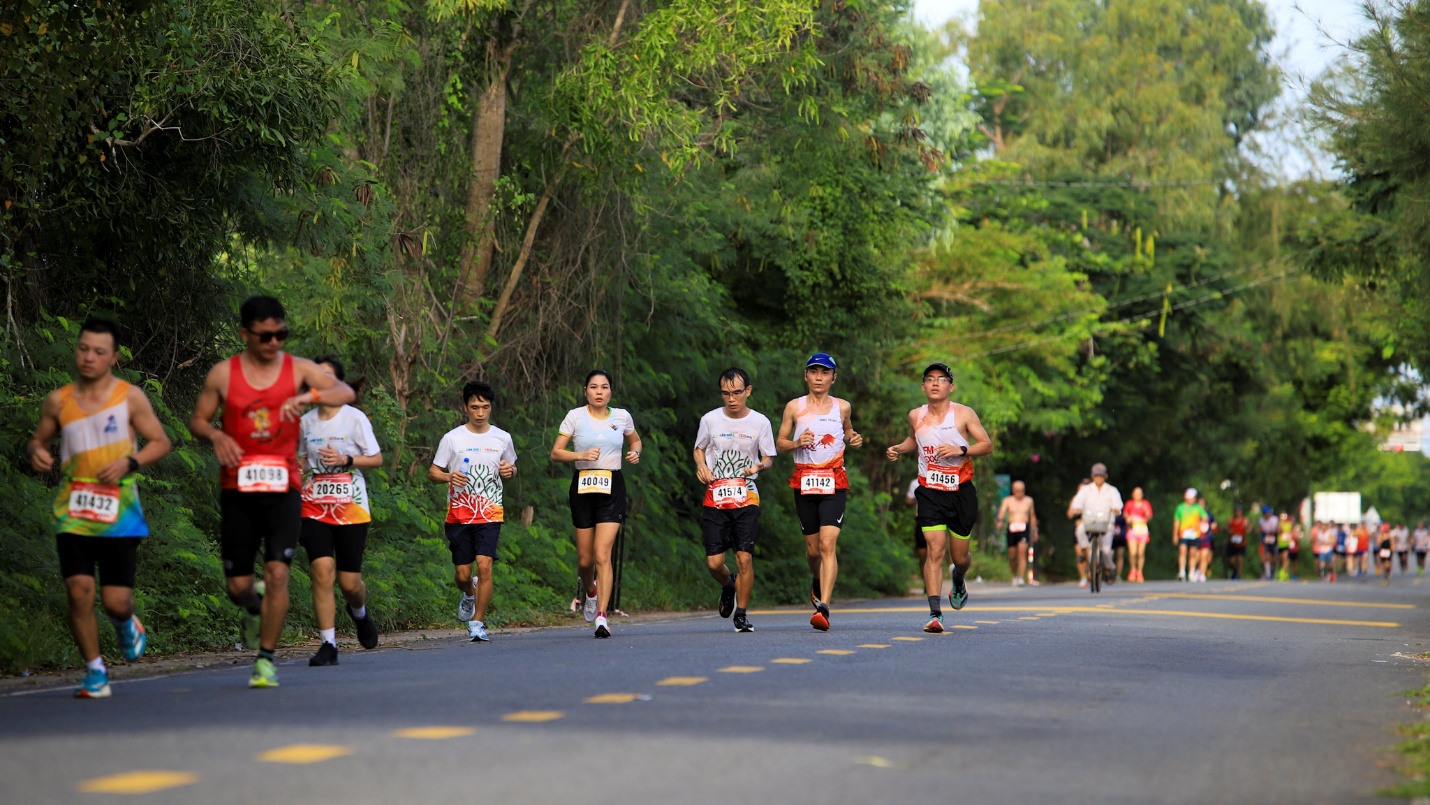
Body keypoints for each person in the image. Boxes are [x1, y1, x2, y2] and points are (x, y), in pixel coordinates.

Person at [189, 296, 354, 688]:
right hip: (238, 490)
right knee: (238, 587)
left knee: (278, 572)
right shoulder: (223, 375)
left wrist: (308, 396)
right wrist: (215, 435)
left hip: (284, 488)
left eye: (281, 334)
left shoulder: (298, 368)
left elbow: (344, 392)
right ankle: (252, 606)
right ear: (245, 334)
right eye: (266, 335)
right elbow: (197, 419)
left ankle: (265, 660)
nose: (274, 342)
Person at [28, 317, 172, 698]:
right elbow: (38, 440)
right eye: (83, 348)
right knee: (78, 591)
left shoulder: (129, 397)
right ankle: (95, 671)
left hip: (119, 514)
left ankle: (127, 623)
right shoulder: (59, 400)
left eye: (99, 352)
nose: (88, 357)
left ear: (114, 358)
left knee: (115, 600)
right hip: (73, 511)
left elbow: (160, 441)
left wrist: (130, 463)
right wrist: (38, 452)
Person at [886, 363, 994, 632]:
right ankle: (935, 613)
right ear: (923, 386)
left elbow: (986, 445)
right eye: (930, 379)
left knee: (959, 557)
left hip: (961, 491)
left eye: (942, 379)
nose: (935, 383)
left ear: (951, 386)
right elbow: (915, 440)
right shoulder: (915, 415)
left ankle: (959, 576)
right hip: (930, 490)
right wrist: (900, 448)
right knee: (934, 550)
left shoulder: (963, 414)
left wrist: (961, 448)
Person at [298, 356, 383, 665]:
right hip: (314, 503)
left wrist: (346, 461)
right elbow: (302, 460)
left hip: (350, 505)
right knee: (321, 571)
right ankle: (328, 643)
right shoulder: (305, 421)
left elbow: (375, 459)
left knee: (349, 583)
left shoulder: (354, 418)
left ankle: (358, 612)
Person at [550, 370, 642, 639]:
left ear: (611, 391)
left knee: (603, 553)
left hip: (612, 485)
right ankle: (590, 590)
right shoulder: (575, 416)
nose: (599, 392)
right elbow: (556, 452)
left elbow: (635, 439)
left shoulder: (622, 416)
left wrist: (635, 451)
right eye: (594, 387)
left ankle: (602, 616)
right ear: (586, 391)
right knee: (585, 559)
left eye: (604, 387)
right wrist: (580, 454)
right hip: (583, 486)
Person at [778, 353, 863, 631]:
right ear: (806, 376)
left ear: (833, 378)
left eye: (824, 372)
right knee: (813, 551)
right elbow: (778, 444)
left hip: (833, 480)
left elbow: (848, 431)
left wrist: (853, 437)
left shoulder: (842, 407)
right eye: (813, 371)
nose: (818, 377)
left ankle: (824, 608)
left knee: (828, 544)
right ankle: (817, 579)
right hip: (804, 480)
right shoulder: (794, 407)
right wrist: (795, 442)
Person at [429, 381, 517, 643]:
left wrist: (508, 471)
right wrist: (448, 477)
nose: (480, 412)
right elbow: (433, 472)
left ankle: (477, 623)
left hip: (490, 512)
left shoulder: (503, 438)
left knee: (485, 565)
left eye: (485, 407)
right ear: (465, 407)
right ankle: (469, 592)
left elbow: (512, 468)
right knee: (462, 574)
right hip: (460, 513)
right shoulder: (452, 438)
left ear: (491, 408)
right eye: (475, 407)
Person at [693, 368, 776, 633]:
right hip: (716, 495)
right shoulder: (709, 419)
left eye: (737, 393)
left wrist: (758, 468)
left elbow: (768, 458)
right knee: (714, 563)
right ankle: (728, 585)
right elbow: (699, 449)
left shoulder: (760, 422)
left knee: (744, 558)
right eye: (726, 393)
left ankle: (741, 614)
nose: (731, 398)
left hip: (747, 494)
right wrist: (701, 467)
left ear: (748, 391)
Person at [1068, 464, 1123, 588]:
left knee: (1106, 550)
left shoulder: (1112, 491)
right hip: (1089, 521)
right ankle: (1083, 550)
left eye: (1101, 476)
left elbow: (1118, 503)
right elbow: (1077, 501)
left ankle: (1108, 567)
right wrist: (1077, 508)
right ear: (1093, 476)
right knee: (1080, 530)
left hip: (1106, 523)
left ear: (1105, 476)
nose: (1098, 478)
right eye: (1096, 476)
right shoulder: (1086, 490)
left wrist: (1116, 508)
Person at [994, 481, 1037, 587]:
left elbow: (1032, 516)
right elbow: (1002, 512)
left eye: (1021, 491)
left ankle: (1021, 578)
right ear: (1013, 491)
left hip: (1023, 528)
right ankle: (1015, 575)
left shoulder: (1028, 500)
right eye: (1017, 491)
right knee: (1012, 556)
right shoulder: (1008, 500)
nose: (1019, 493)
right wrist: (1000, 521)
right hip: (1012, 528)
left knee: (1022, 553)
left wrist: (1034, 530)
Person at [1173, 489, 1208, 582]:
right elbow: (1177, 521)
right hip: (1183, 533)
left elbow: (1205, 517)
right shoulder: (1180, 507)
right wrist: (1175, 534)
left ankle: (1191, 572)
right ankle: (1181, 571)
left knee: (1192, 554)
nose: (1191, 499)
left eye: (1193, 497)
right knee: (1182, 551)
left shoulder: (1198, 508)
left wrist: (1200, 523)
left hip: (1194, 534)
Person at [1123, 488, 1153, 583]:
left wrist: (1146, 512)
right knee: (1133, 552)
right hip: (1133, 529)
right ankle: (1133, 569)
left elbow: (1149, 517)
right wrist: (1128, 518)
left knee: (1140, 552)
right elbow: (1125, 514)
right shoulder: (1129, 504)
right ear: (1133, 495)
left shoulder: (1145, 504)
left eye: (1139, 493)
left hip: (1142, 529)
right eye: (1136, 493)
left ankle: (1140, 571)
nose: (1138, 495)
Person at [1070, 478, 1093, 588]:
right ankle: (1083, 578)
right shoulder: (1075, 499)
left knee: (1089, 553)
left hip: (1090, 529)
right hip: (1078, 531)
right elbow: (1069, 514)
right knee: (1080, 555)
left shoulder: (1093, 500)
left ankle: (1090, 572)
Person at [904, 478, 926, 573]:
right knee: (922, 556)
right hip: (921, 520)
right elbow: (908, 502)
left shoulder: (940, 476)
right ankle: (927, 584)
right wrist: (919, 497)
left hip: (938, 519)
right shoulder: (915, 483)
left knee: (935, 553)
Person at [1196, 496, 1217, 583]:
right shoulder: (1194, 515)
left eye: (1202, 504)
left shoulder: (1209, 515)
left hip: (1206, 538)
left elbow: (1214, 526)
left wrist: (1214, 527)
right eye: (1199, 504)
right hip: (1196, 537)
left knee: (1205, 557)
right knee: (1197, 557)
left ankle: (1202, 574)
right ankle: (1196, 570)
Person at [1226, 505, 1249, 580]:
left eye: (1239, 511)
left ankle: (1238, 575)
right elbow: (1225, 527)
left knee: (1240, 558)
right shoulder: (1231, 520)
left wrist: (1246, 530)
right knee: (1231, 561)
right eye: (1236, 511)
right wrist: (1229, 530)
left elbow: (1250, 528)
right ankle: (1235, 571)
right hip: (1232, 543)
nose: (1237, 512)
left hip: (1241, 543)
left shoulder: (1245, 520)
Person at [1258, 506, 1279, 581]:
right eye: (1265, 513)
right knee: (1266, 556)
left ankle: (1273, 570)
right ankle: (1268, 574)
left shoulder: (1275, 519)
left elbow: (1278, 528)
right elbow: (1259, 528)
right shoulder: (1261, 520)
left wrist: (1275, 531)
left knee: (1274, 559)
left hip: (1273, 540)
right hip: (1266, 540)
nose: (1266, 515)